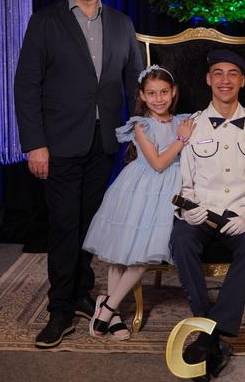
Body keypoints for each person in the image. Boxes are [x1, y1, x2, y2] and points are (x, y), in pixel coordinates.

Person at [14, 0, 144, 348]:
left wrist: (139, 139)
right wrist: (35, 144)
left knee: (91, 224)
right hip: (59, 143)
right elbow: (26, 86)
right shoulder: (45, 22)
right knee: (65, 224)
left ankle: (82, 292)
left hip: (104, 144)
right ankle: (60, 309)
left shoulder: (122, 23)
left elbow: (136, 85)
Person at [170, 49, 245, 382]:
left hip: (241, 214)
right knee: (180, 241)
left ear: (243, 81)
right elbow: (183, 183)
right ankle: (212, 334)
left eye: (233, 74)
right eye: (218, 73)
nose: (225, 80)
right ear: (208, 79)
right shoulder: (191, 125)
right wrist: (187, 209)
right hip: (201, 215)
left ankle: (206, 338)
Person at [82, 65, 195, 339]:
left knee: (142, 255)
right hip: (141, 188)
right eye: (152, 93)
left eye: (164, 92)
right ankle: (112, 312)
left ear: (174, 92)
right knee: (121, 253)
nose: (159, 98)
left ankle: (107, 305)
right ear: (142, 96)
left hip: (169, 192)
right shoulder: (141, 125)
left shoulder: (183, 120)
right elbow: (158, 163)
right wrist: (181, 140)